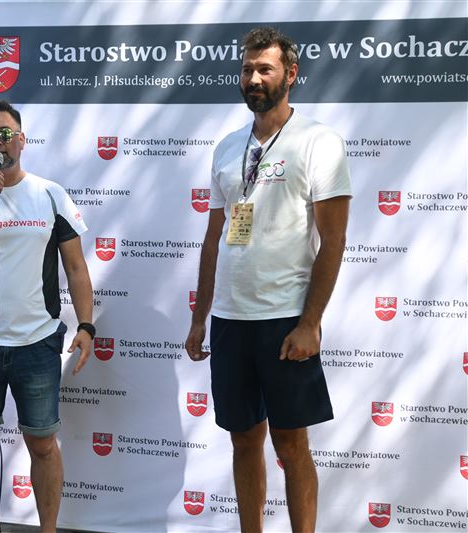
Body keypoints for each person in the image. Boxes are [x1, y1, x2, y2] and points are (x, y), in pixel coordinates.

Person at [185, 27, 351, 533]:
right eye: (247, 69)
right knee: (242, 440)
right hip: (230, 319)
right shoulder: (227, 147)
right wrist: (200, 318)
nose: (253, 79)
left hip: (285, 319)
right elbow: (213, 239)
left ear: (290, 74)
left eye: (265, 69)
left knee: (291, 445)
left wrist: (310, 323)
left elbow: (334, 241)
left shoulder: (318, 141)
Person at [0, 99, 94, 533]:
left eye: (4, 133)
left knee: (42, 445)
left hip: (36, 344)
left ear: (21, 140)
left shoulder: (50, 193)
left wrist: (86, 325)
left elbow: (76, 268)